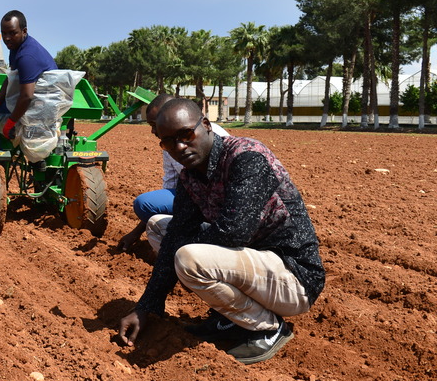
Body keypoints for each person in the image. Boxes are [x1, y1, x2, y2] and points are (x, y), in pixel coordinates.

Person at [118, 99, 324, 365]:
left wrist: (181, 247)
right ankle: (230, 318)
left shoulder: (247, 157)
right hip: (256, 267)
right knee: (160, 227)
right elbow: (178, 232)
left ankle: (267, 328)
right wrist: (146, 306)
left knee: (187, 257)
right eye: (169, 142)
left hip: (293, 277)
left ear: (206, 125)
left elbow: (233, 232)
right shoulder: (191, 176)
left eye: (186, 135)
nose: (179, 147)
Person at [117, 94, 229, 254]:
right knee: (145, 204)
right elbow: (172, 187)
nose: (153, 130)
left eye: (155, 123)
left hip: (222, 201)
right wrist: (136, 232)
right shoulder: (168, 146)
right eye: (151, 125)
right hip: (196, 197)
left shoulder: (214, 136)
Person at [0, 10, 58, 149]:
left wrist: (10, 122)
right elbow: (10, 77)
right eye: (4, 33)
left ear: (24, 31)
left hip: (39, 103)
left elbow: (26, 96)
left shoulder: (26, 56)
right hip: (42, 98)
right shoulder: (17, 47)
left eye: (12, 33)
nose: (7, 38)